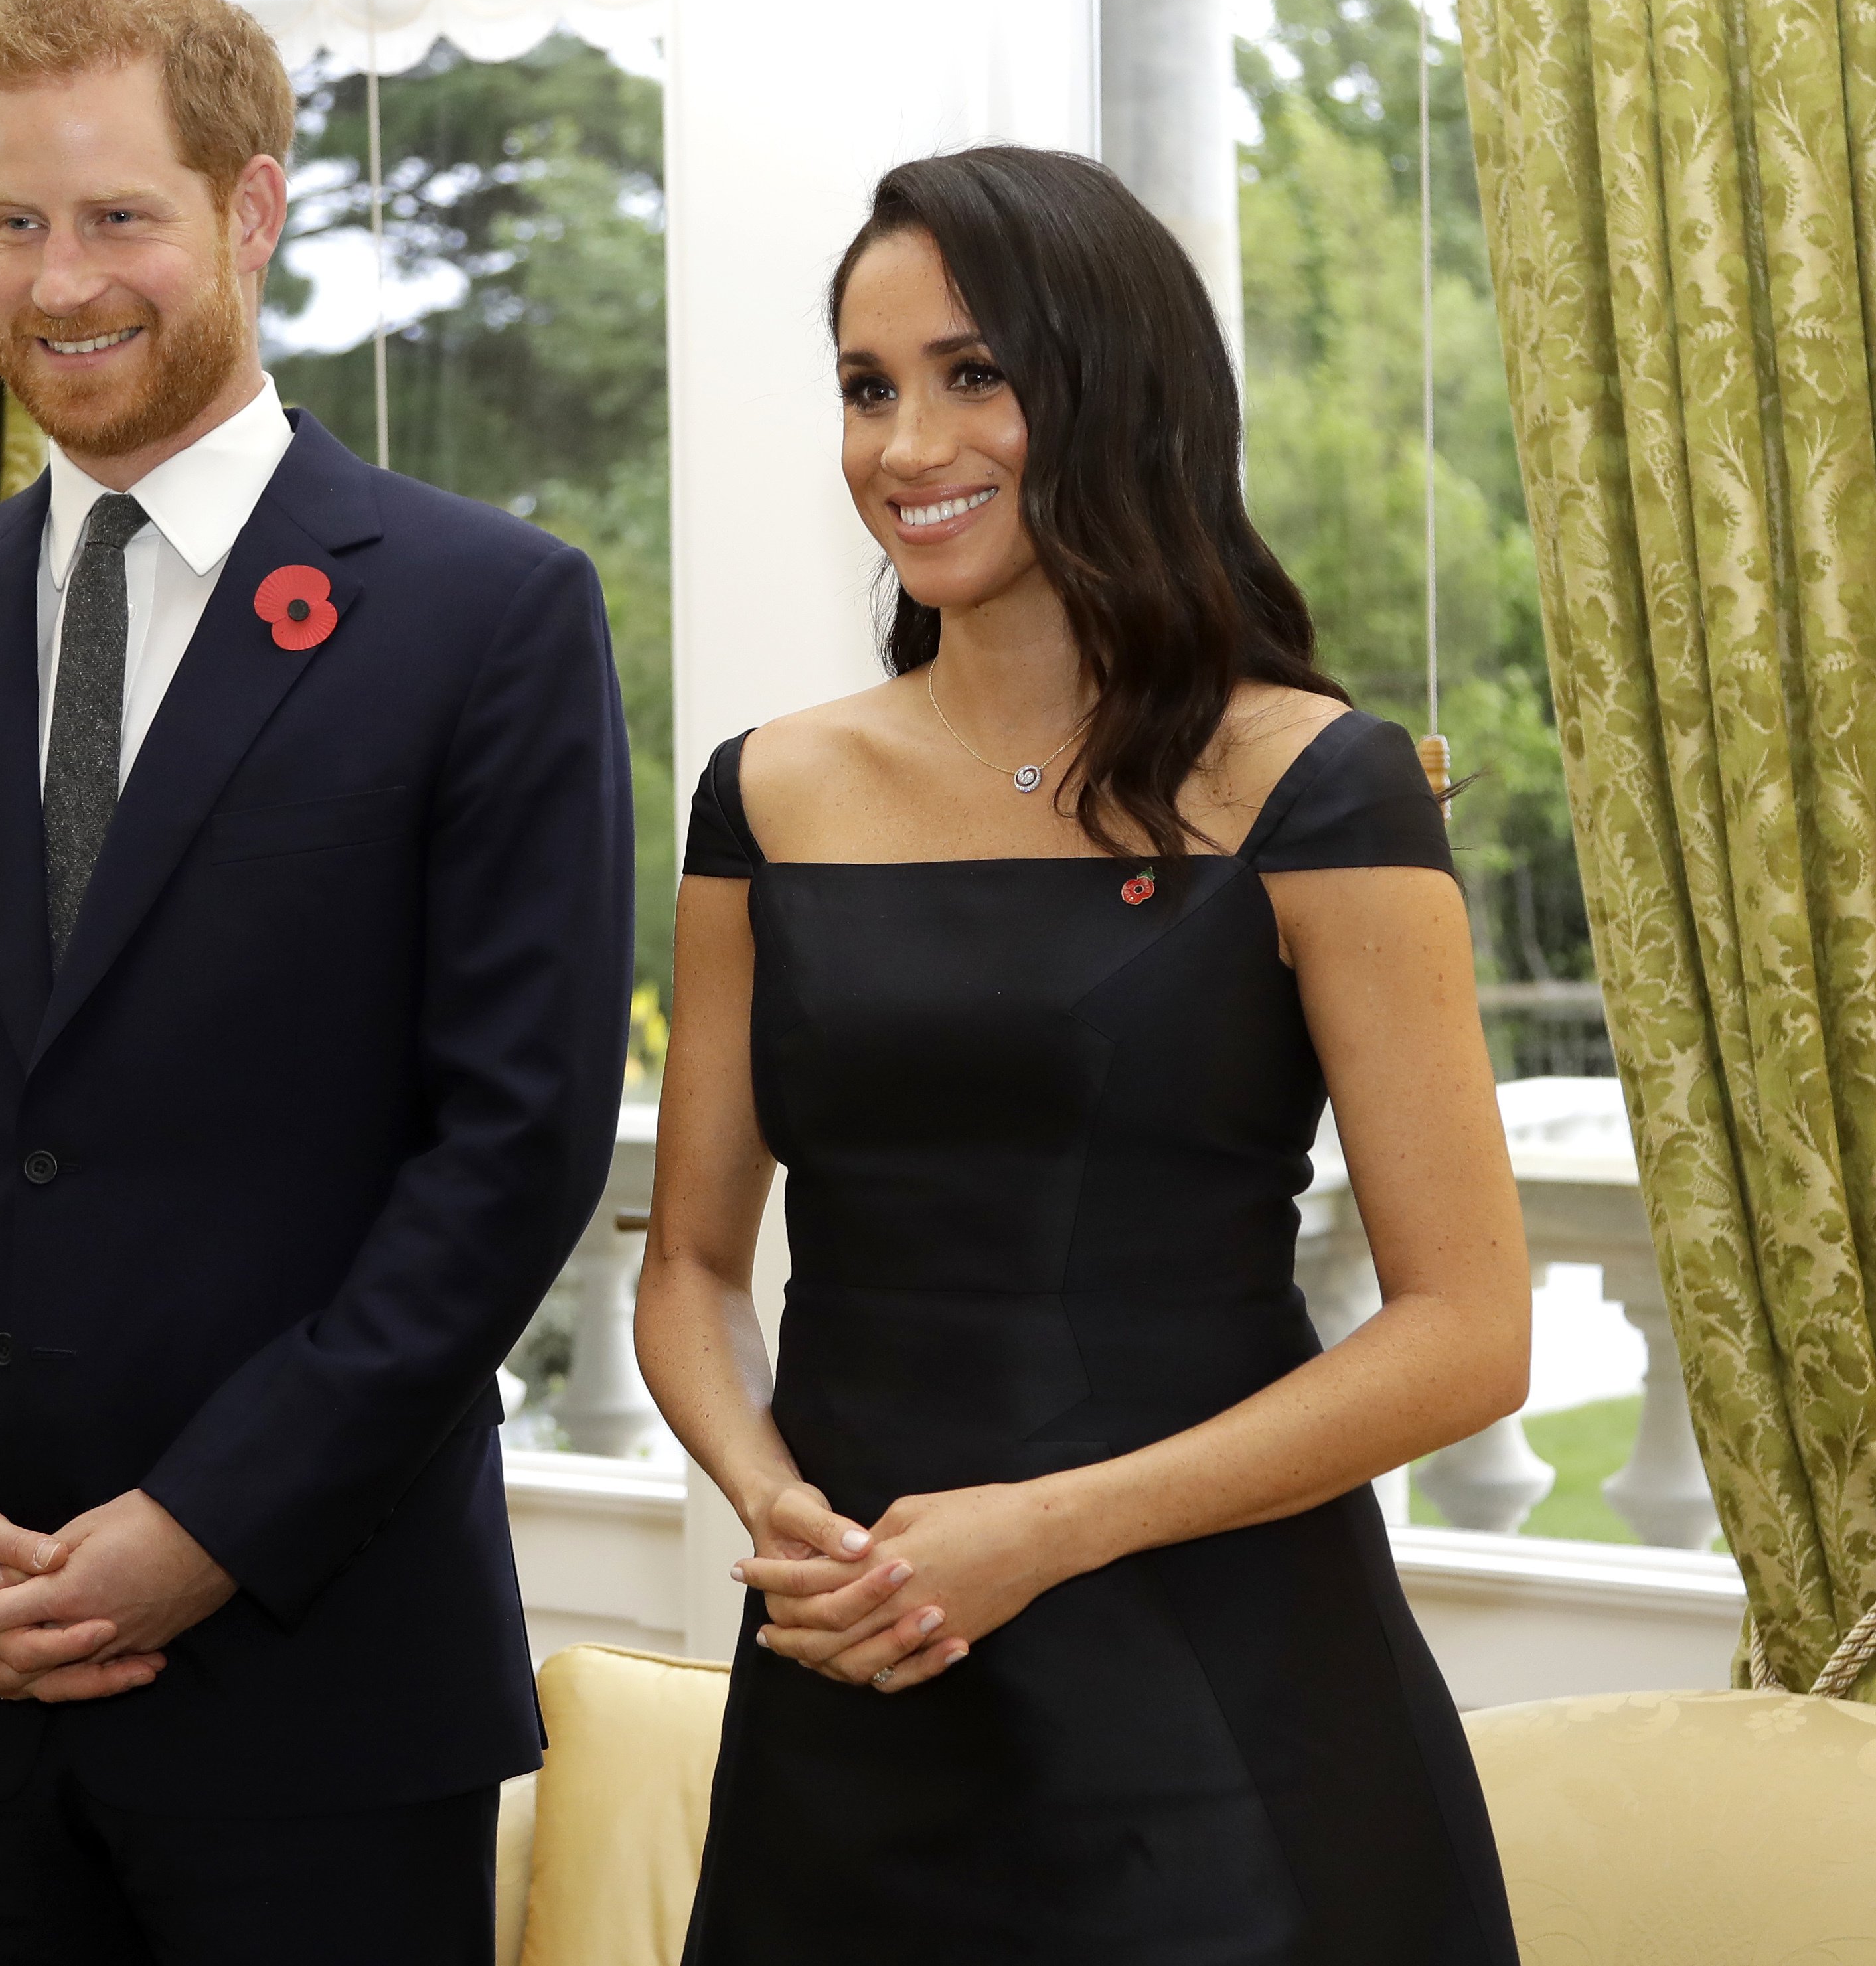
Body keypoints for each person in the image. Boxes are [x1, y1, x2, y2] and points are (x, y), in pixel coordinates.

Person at [0, 0, 633, 1964]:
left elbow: (512, 1147)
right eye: (13, 220)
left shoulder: (487, 617)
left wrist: (204, 1529)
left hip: (322, 1681)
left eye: (118, 215)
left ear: (249, 209)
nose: (59, 283)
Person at [635, 144, 1526, 1963]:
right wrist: (776, 1504)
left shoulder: (1313, 780)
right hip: (854, 1678)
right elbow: (690, 1265)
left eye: (975, 375)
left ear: (1113, 387)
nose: (904, 445)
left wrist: (1044, 1527)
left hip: (1216, 1701)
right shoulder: (768, 793)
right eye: (866, 388)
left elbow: (1469, 1331)